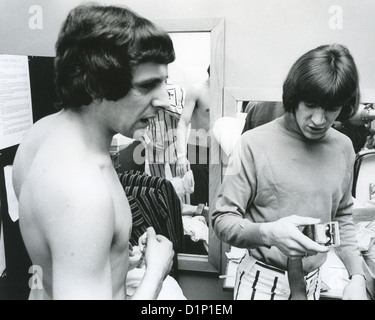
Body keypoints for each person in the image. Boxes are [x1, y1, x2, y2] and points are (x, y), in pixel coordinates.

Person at [12, 4, 177, 300]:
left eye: (163, 82)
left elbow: (57, 256)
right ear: (98, 85)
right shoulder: (81, 189)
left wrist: (112, 259)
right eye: (148, 85)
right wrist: (156, 271)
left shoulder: (41, 133)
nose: (164, 100)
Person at [211, 44, 367, 300]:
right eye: (311, 105)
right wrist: (267, 233)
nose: (319, 119)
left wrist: (357, 276)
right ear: (295, 97)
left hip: (314, 283)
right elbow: (221, 219)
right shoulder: (251, 144)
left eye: (331, 108)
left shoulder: (344, 147)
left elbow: (342, 216)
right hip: (260, 283)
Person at [176, 66, 211, 206]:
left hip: (220, 150)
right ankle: (200, 225)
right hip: (198, 149)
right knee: (200, 198)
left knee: (219, 195)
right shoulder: (197, 90)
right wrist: (181, 156)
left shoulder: (226, 93)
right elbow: (183, 123)